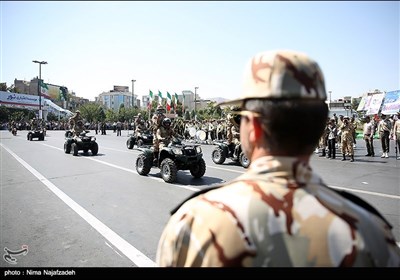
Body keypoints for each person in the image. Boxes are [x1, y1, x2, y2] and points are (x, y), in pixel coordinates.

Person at [156, 49, 400, 267]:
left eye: (240, 119)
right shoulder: (370, 233)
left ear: (254, 127)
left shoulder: (195, 223)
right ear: (317, 128)